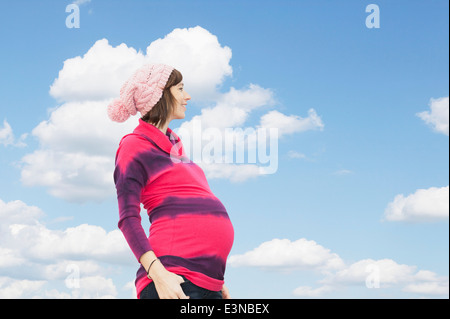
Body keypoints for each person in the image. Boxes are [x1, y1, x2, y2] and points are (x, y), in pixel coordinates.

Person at [107, 64, 234, 299]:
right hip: (174, 279)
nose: (187, 96)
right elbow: (128, 218)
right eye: (180, 89)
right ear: (161, 94)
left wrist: (215, 278)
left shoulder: (177, 152)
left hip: (207, 282)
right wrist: (158, 274)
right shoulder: (134, 146)